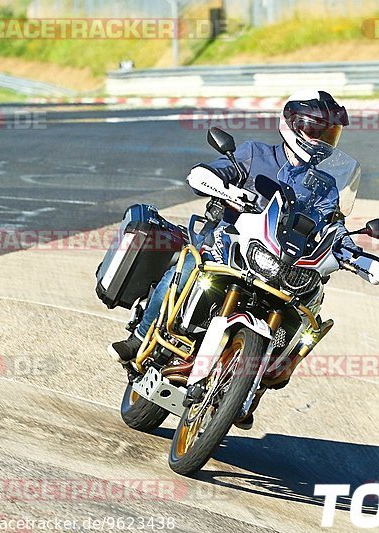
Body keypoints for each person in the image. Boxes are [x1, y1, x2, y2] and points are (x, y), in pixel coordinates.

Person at [109, 91, 364, 418]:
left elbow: (334, 222)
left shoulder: (325, 185)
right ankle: (141, 336)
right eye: (317, 132)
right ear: (293, 126)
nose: (323, 141)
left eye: (330, 135)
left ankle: (259, 378)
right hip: (225, 244)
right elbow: (204, 174)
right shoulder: (254, 154)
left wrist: (350, 248)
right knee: (188, 266)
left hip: (278, 262)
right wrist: (222, 187)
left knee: (311, 308)